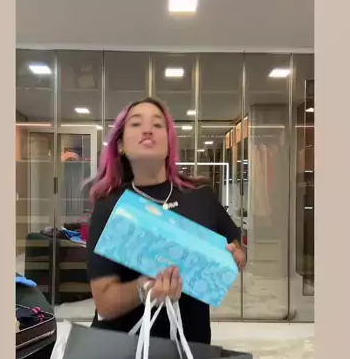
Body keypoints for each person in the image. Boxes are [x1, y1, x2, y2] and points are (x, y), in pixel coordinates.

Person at [86, 97, 246, 345]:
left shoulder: (200, 196)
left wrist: (236, 256)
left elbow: (236, 247)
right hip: (125, 350)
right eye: (136, 124)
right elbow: (105, 303)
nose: (147, 130)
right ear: (120, 144)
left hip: (191, 344)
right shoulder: (110, 206)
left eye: (158, 125)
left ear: (169, 142)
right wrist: (145, 288)